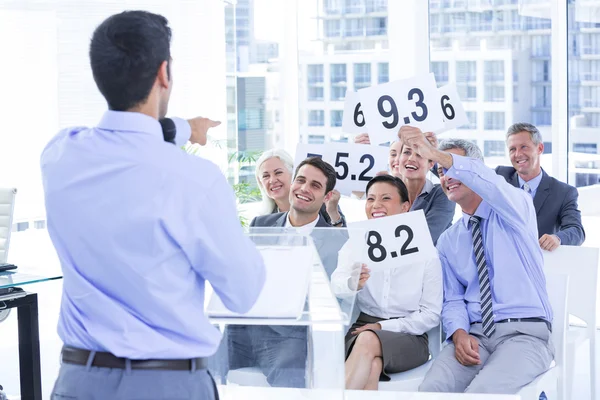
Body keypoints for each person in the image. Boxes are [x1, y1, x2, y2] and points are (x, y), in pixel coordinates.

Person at [42, 11, 266, 400]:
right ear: (164, 73)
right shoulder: (196, 180)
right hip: (167, 386)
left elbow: (123, 135)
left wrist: (184, 127)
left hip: (78, 383)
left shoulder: (60, 155)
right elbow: (243, 293)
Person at [395, 129, 553, 395]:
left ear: (475, 170)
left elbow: (492, 184)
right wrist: (458, 332)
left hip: (525, 335)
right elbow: (453, 299)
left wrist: (435, 154)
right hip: (476, 336)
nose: (445, 177)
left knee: (481, 393)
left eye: (450, 167)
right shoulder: (448, 240)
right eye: (442, 172)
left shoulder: (515, 210)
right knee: (430, 390)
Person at [228, 157, 346, 388]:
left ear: (327, 197)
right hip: (244, 328)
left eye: (315, 185)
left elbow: (334, 300)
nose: (304, 188)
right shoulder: (260, 224)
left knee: (290, 382)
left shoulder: (338, 242)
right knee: (196, 356)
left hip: (291, 336)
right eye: (300, 180)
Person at [331, 175, 442, 390]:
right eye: (370, 199)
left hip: (409, 335)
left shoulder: (427, 253)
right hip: (361, 327)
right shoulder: (356, 244)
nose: (376, 205)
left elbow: (431, 314)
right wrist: (351, 283)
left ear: (405, 207)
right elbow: (336, 284)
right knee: (373, 366)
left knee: (367, 341)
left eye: (385, 198)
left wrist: (382, 326)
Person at [496, 122, 585, 251]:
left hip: (540, 263)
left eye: (524, 147)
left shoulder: (563, 192)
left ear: (540, 148)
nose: (518, 154)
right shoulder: (500, 177)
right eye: (512, 149)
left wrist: (557, 238)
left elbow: (577, 231)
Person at [354, 134, 454, 244]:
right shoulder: (387, 192)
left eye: (420, 154)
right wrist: (359, 152)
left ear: (431, 164)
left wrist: (434, 153)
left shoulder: (441, 193)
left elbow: (425, 238)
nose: (411, 158)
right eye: (406, 152)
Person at [255, 148, 346, 226]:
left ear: (293, 174)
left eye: (278, 173)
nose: (272, 180)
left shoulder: (322, 203)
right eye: (265, 176)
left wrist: (333, 213)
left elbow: (340, 240)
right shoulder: (262, 222)